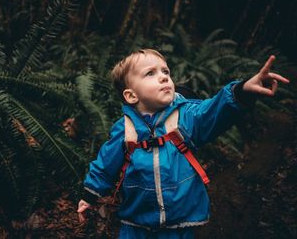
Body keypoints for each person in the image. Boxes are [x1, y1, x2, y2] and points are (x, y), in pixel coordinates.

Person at [77, 49, 290, 238]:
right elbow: (106, 164)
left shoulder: (186, 117)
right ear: (131, 95)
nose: (163, 77)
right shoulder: (125, 130)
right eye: (150, 73)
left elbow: (214, 111)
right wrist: (90, 195)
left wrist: (242, 90)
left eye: (165, 72)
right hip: (135, 224)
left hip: (180, 222)